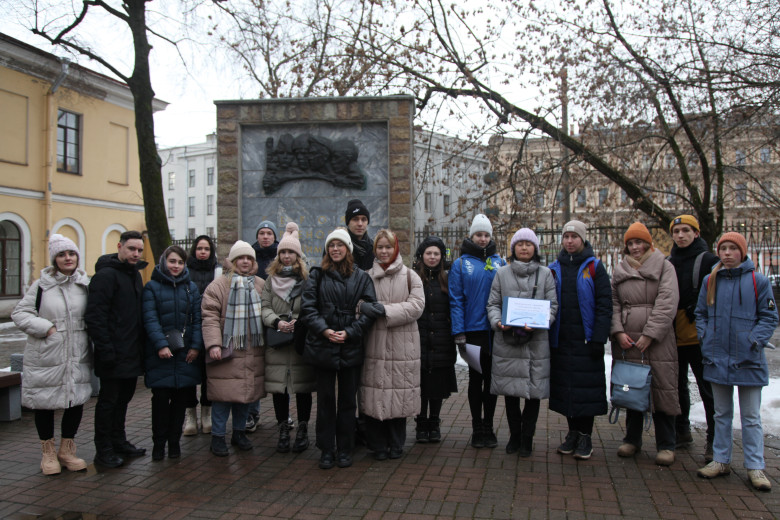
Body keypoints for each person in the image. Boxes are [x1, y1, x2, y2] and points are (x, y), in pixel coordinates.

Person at [695, 232, 778, 491]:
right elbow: (701, 313)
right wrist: (706, 337)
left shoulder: (758, 281)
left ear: (742, 252)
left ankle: (755, 466)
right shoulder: (711, 280)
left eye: (733, 248)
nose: (727, 253)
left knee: (751, 416)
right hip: (717, 356)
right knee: (721, 413)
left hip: (748, 358)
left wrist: (753, 340)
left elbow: (769, 317)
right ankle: (721, 460)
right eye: (723, 248)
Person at [11, 234, 92, 475]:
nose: (68, 258)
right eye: (62, 254)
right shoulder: (42, 286)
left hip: (77, 352)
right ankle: (47, 453)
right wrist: (47, 329)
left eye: (71, 254)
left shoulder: (84, 285)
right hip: (47, 354)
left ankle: (67, 450)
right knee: (44, 403)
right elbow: (20, 314)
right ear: (54, 259)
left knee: (75, 400)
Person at [300, 228, 377, 469]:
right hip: (323, 343)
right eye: (331, 245)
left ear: (348, 249)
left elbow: (370, 310)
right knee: (325, 400)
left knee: (347, 400)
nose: (335, 249)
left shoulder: (362, 277)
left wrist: (351, 332)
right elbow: (308, 308)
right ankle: (325, 448)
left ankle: (345, 447)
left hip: (350, 343)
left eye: (340, 245)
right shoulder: (317, 275)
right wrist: (324, 330)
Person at [611, 222, 680, 466]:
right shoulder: (620, 270)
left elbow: (667, 302)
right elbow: (614, 304)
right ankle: (632, 439)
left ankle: (666, 444)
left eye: (639, 242)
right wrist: (618, 331)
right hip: (629, 340)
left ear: (648, 244)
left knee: (662, 389)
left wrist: (651, 333)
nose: (635, 247)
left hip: (658, 341)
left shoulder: (664, 267)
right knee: (631, 388)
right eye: (630, 243)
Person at [487, 228, 557, 457]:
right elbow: (493, 304)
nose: (524, 247)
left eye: (529, 243)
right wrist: (499, 323)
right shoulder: (502, 273)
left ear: (535, 248)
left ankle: (528, 438)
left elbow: (552, 306)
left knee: (533, 394)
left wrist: (540, 321)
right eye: (520, 244)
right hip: (507, 341)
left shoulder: (546, 274)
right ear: (513, 248)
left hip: (535, 342)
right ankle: (514, 436)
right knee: (510, 394)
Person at [548, 221, 612, 460]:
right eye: (566, 236)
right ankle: (572, 432)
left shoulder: (594, 267)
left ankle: (586, 436)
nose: (570, 241)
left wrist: (598, 338)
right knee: (566, 388)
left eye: (574, 236)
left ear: (582, 240)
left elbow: (605, 305)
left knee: (587, 389)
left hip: (586, 341)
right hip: (561, 339)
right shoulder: (554, 268)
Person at [86, 230, 148, 468]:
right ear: (120, 247)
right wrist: (106, 349)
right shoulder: (105, 276)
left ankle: (119, 441)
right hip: (112, 354)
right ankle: (103, 450)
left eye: (139, 250)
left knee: (123, 400)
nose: (136, 253)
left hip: (131, 352)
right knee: (108, 403)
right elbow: (95, 316)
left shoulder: (134, 275)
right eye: (131, 249)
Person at [361, 229, 425, 460]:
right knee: (374, 392)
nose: (384, 251)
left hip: (403, 346)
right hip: (374, 344)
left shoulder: (410, 276)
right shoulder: (366, 276)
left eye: (388, 247)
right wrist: (363, 308)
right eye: (380, 247)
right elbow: (357, 303)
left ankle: (396, 444)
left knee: (400, 393)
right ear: (375, 250)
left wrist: (385, 310)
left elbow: (417, 306)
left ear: (395, 248)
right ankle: (377, 445)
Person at [201, 241, 266, 457]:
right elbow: (209, 317)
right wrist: (213, 344)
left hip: (251, 350)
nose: (245, 262)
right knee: (223, 397)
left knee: (244, 397)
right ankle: (218, 437)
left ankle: (239, 433)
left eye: (249, 258)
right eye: (241, 258)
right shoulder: (218, 286)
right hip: (227, 350)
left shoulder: (260, 284)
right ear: (233, 261)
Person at [449, 214, 506, 448]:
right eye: (478, 235)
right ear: (471, 236)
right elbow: (456, 300)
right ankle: (476, 427)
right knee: (475, 380)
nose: (482, 239)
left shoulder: (500, 263)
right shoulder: (460, 264)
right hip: (472, 332)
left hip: (495, 331)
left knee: (491, 381)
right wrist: (459, 331)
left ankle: (489, 426)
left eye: (486, 235)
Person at [142, 245, 203, 460]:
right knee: (160, 401)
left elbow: (197, 319)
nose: (176, 266)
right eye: (172, 261)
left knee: (180, 402)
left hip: (184, 354)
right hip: (161, 356)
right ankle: (159, 444)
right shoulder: (151, 287)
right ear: (163, 262)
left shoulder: (191, 288)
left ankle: (174, 443)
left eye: (180, 262)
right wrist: (161, 345)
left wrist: (195, 346)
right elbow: (150, 319)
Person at [261, 223, 316, 453]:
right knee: (279, 389)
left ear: (297, 255)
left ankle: (302, 430)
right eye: (283, 252)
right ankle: (283, 428)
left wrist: (299, 321)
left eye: (290, 252)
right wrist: (277, 321)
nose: (286, 256)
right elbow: (264, 307)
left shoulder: (307, 280)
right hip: (277, 343)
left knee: (302, 388)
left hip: (300, 342)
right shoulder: (269, 280)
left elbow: (312, 305)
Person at [667, 215, 718, 460]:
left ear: (696, 233)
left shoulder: (709, 260)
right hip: (673, 334)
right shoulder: (669, 261)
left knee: (707, 388)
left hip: (700, 335)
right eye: (676, 231)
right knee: (677, 387)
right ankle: (682, 431)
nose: (680, 235)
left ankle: (714, 439)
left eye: (686, 230)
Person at [413, 236, 458, 443]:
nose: (432, 257)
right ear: (422, 256)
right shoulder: (413, 278)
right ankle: (421, 422)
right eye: (429, 253)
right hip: (419, 339)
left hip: (441, 339)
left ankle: (434, 420)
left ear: (442, 256)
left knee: (437, 385)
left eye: (436, 253)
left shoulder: (448, 278)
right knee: (420, 383)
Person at [183, 235, 218, 436]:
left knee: (208, 375)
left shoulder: (218, 270)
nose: (203, 252)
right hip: (190, 329)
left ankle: (207, 413)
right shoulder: (186, 271)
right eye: (199, 248)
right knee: (189, 374)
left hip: (210, 329)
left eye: (206, 249)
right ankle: (190, 415)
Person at [247, 221, 277, 431]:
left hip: (275, 320)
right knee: (254, 369)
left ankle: (281, 416)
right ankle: (252, 413)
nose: (265, 236)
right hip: (253, 321)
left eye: (269, 233)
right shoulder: (249, 256)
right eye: (261, 233)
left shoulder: (281, 256)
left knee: (275, 370)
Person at [345, 199, 374, 271]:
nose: (360, 224)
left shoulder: (373, 247)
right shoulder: (339, 246)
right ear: (348, 222)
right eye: (355, 219)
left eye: (364, 219)